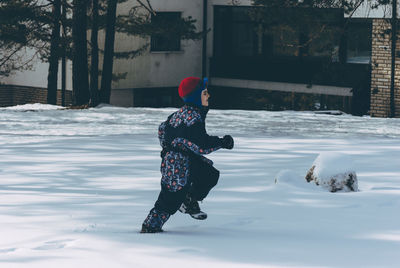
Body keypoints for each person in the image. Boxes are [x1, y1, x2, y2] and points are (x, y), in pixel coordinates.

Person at [141, 76, 234, 233]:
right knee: (169, 199)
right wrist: (222, 142)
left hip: (183, 160)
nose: (208, 96)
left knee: (209, 175)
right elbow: (201, 144)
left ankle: (188, 199)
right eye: (205, 93)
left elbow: (162, 129)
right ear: (196, 97)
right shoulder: (193, 119)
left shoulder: (180, 114)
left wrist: (168, 149)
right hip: (177, 166)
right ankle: (150, 227)